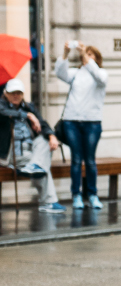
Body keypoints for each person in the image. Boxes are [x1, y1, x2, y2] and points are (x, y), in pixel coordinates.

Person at [55, 41, 108, 210]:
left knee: (90, 161)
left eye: (91, 54)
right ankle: (76, 195)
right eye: (86, 54)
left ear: (96, 59)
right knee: (76, 160)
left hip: (92, 122)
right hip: (71, 121)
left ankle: (92, 195)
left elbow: (99, 77)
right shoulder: (76, 73)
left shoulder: (101, 74)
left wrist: (84, 54)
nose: (87, 57)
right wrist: (65, 53)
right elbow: (60, 73)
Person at [0, 79, 64, 212]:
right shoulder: (2, 106)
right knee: (43, 164)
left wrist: (52, 136)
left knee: (45, 142)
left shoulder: (29, 106)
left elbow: (43, 123)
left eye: (19, 93)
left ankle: (34, 165)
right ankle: (48, 202)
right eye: (12, 93)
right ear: (5, 93)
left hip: (29, 152)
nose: (16, 95)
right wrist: (27, 115)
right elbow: (3, 113)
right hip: (8, 154)